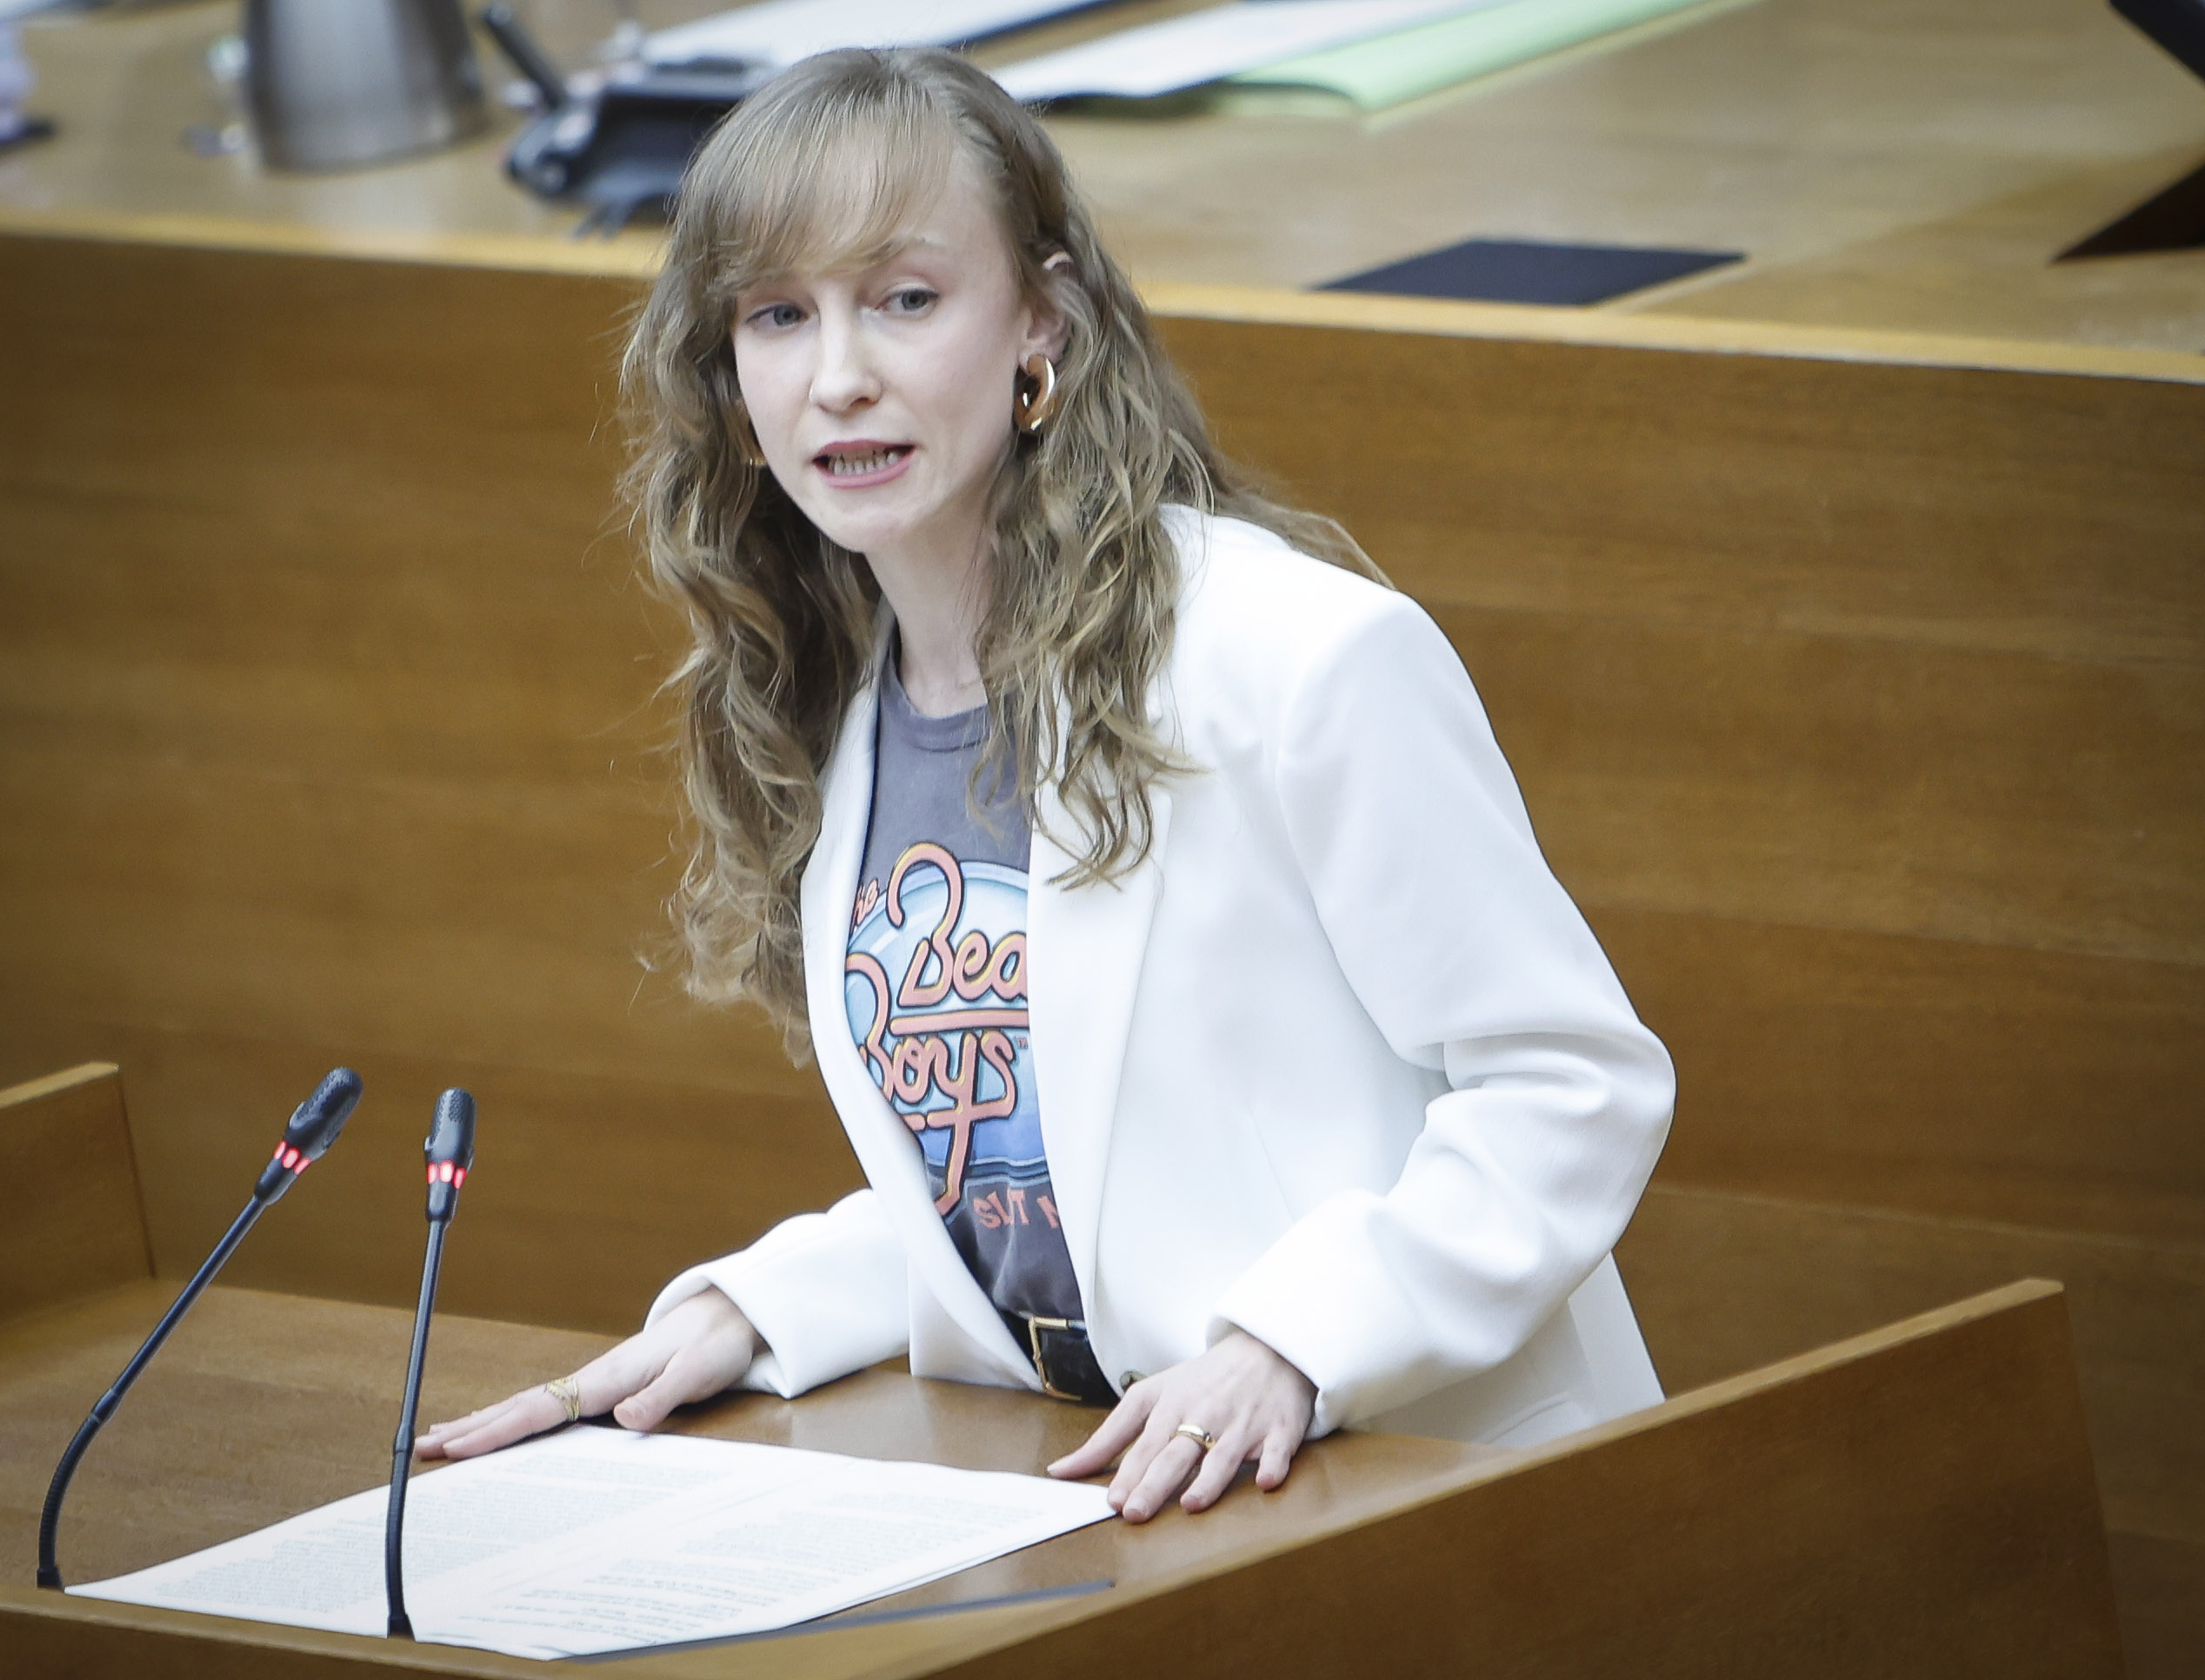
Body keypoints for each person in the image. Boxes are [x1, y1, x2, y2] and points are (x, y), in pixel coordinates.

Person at [416, 47, 1674, 1525]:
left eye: (904, 298)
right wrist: (753, 1312)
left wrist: (1294, 1345)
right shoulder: (842, 708)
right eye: (777, 314)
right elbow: (1060, 1177)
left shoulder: (1299, 655)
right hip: (1139, 1510)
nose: (837, 377)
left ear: (1043, 324)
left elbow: (1572, 1088)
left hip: (1440, 1490)